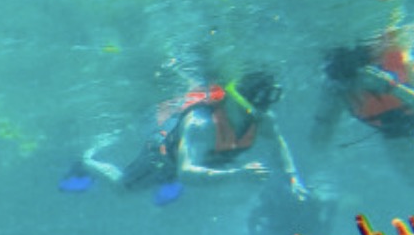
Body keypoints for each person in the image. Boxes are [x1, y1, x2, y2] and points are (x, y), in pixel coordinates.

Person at [79, 70, 307, 200]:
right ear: (230, 100)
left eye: (256, 114)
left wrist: (293, 176)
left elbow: (279, 142)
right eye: (246, 111)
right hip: (163, 160)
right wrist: (237, 174)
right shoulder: (201, 124)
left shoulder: (260, 118)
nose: (252, 119)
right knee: (123, 188)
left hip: (206, 161)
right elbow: (186, 173)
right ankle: (88, 159)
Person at [313, 30, 414, 184]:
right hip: (400, 120)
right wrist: (392, 87)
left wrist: (391, 87)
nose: (401, 156)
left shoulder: (402, 68)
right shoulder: (339, 87)